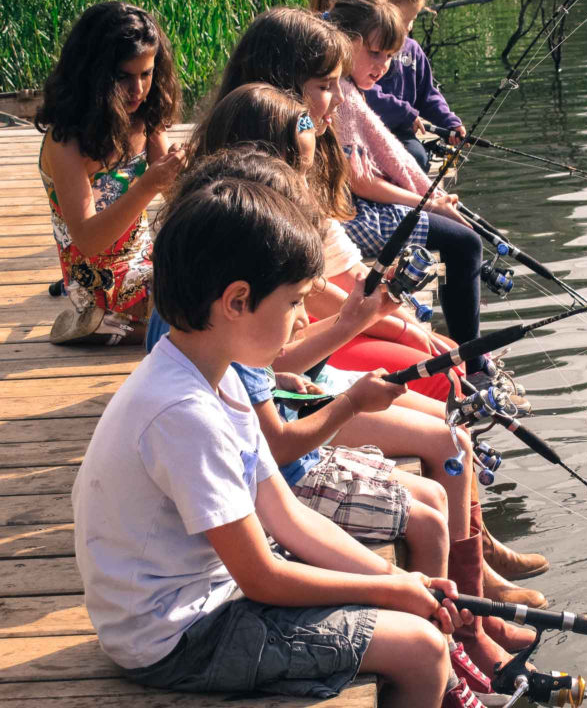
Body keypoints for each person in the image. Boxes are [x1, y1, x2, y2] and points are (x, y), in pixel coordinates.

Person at [72, 169, 488, 708]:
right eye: (294, 303)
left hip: (208, 597)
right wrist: (391, 589)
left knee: (411, 616)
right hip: (176, 638)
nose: (299, 325)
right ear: (237, 301)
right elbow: (264, 577)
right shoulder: (184, 413)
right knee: (421, 651)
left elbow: (288, 516)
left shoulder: (216, 373)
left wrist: (398, 579)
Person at [212, 7, 472, 403]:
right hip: (285, 342)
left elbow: (343, 264)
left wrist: (402, 321)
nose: (338, 101)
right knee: (444, 377)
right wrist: (399, 326)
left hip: (316, 324)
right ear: (280, 87)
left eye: (340, 84)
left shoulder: (305, 151)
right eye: (325, 86)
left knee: (449, 359)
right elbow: (309, 292)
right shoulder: (251, 185)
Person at [325, 0, 524, 400]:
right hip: (347, 213)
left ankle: (469, 356)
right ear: (348, 43)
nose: (383, 66)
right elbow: (360, 181)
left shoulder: (346, 87)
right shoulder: (338, 93)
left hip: (353, 206)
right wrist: (428, 201)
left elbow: (388, 150)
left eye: (389, 56)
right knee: (466, 243)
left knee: (461, 235)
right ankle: (470, 361)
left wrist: (431, 194)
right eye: (375, 53)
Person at [34, 1, 185, 345]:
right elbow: (87, 240)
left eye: (146, 74)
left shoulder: (146, 117)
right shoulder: (66, 142)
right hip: (95, 279)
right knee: (198, 313)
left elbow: (177, 197)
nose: (138, 89)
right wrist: (147, 185)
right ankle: (112, 324)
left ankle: (120, 329)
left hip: (145, 259)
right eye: (124, 77)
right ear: (93, 75)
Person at [370, 0, 466, 172]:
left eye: (412, 19)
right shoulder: (366, 49)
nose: (409, 27)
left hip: (401, 132)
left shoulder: (412, 50)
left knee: (416, 158)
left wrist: (450, 123)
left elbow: (427, 95)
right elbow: (365, 92)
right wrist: (405, 113)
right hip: (368, 130)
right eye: (403, 19)